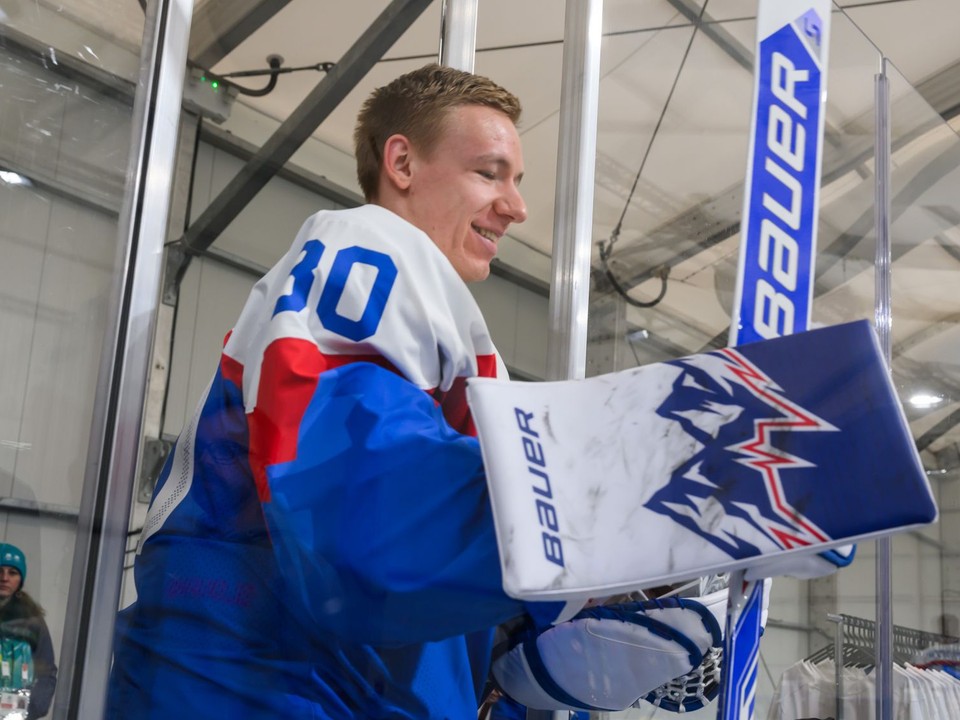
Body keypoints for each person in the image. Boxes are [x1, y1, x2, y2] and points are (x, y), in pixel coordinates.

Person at [106, 64, 723, 719]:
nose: (516, 207)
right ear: (401, 162)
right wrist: (612, 502)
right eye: (489, 173)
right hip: (259, 697)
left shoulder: (438, 319)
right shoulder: (365, 248)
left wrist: (559, 627)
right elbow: (367, 522)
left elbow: (437, 592)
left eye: (516, 181)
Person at [0, 543, 57, 719]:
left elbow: (46, 671)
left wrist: (28, 710)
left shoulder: (32, 622)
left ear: (20, 579)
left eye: (12, 573)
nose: (4, 578)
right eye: (0, 571)